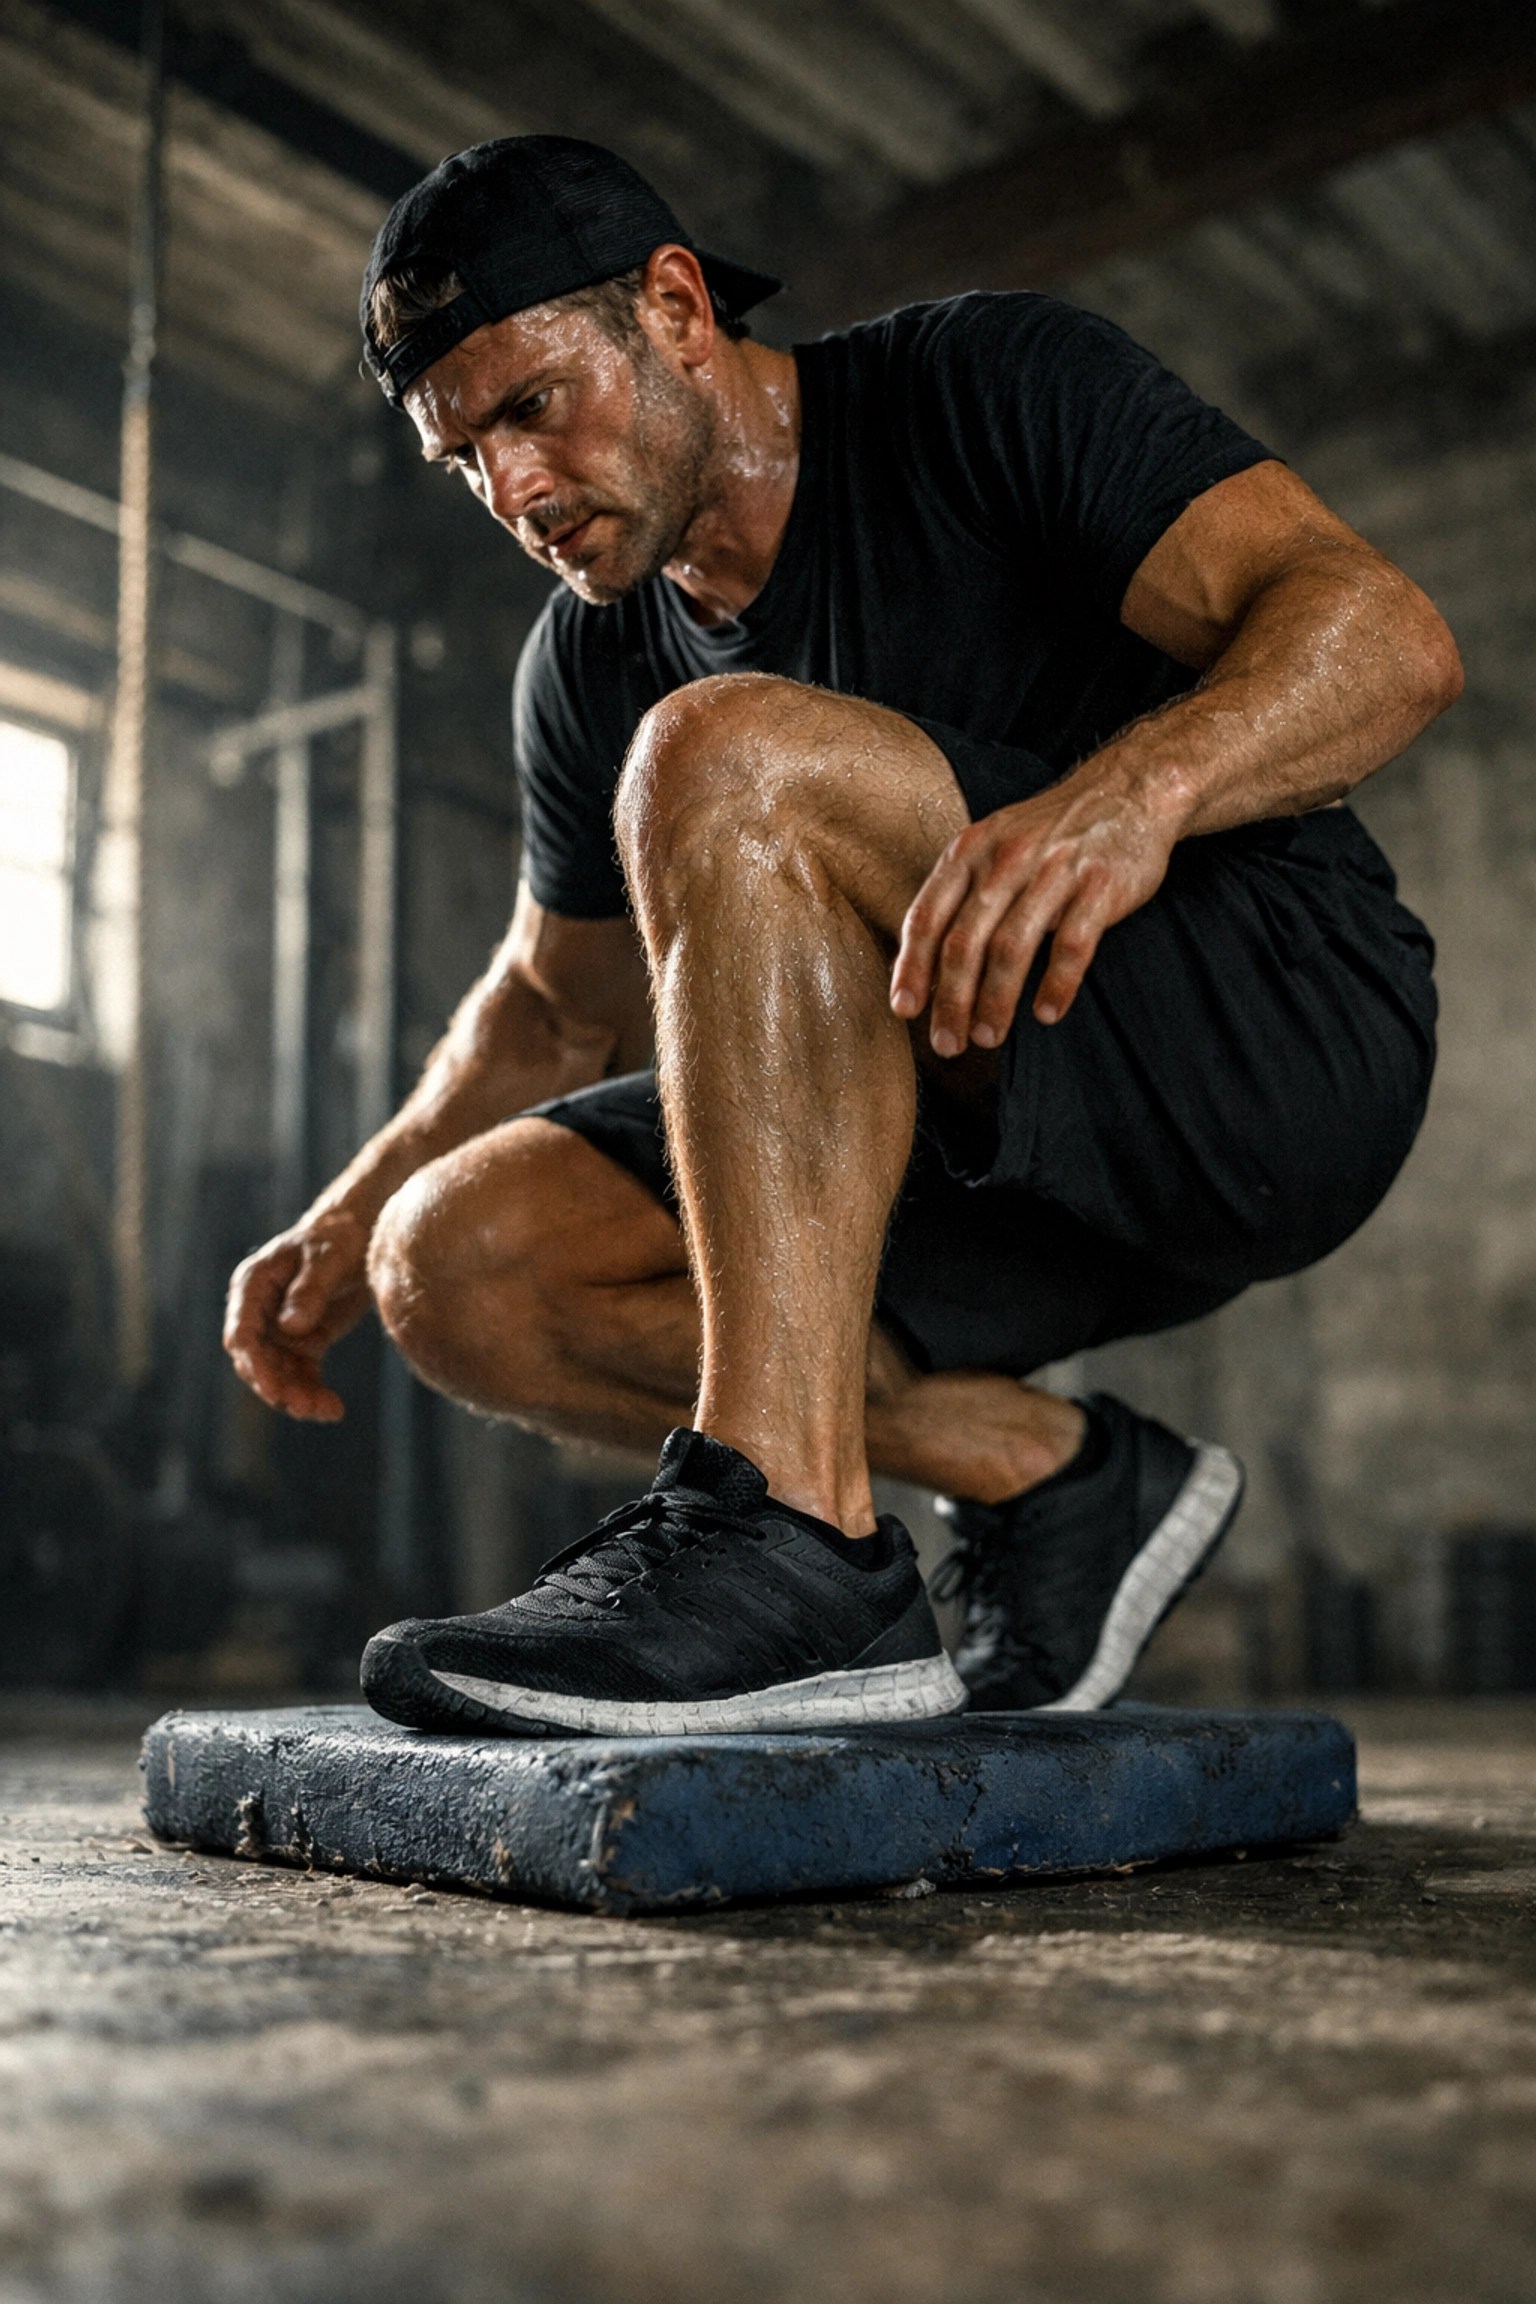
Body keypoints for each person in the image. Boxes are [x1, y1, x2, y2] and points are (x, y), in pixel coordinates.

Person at [224, 137, 1460, 1739]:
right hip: (973, 1161)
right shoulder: (586, 667)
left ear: (672, 308)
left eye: (531, 406)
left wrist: (1132, 795)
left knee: (720, 754)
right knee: (455, 1268)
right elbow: (549, 1009)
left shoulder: (981, 385)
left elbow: (1387, 636)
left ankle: (791, 1538)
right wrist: (353, 1205)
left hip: (1267, 1052)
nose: (511, 490)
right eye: (463, 458)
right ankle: (1055, 1476)